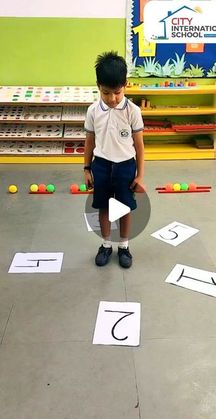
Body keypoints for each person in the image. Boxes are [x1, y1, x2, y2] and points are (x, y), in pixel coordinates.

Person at [84, 51, 144, 268]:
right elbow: (89, 142)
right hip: (100, 166)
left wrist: (140, 174)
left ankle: (124, 246)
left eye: (117, 93)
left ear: (125, 85)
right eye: (106, 93)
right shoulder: (93, 111)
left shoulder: (132, 111)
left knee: (125, 207)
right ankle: (106, 245)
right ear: (98, 86)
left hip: (126, 166)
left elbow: (139, 145)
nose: (112, 99)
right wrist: (86, 168)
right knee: (103, 207)